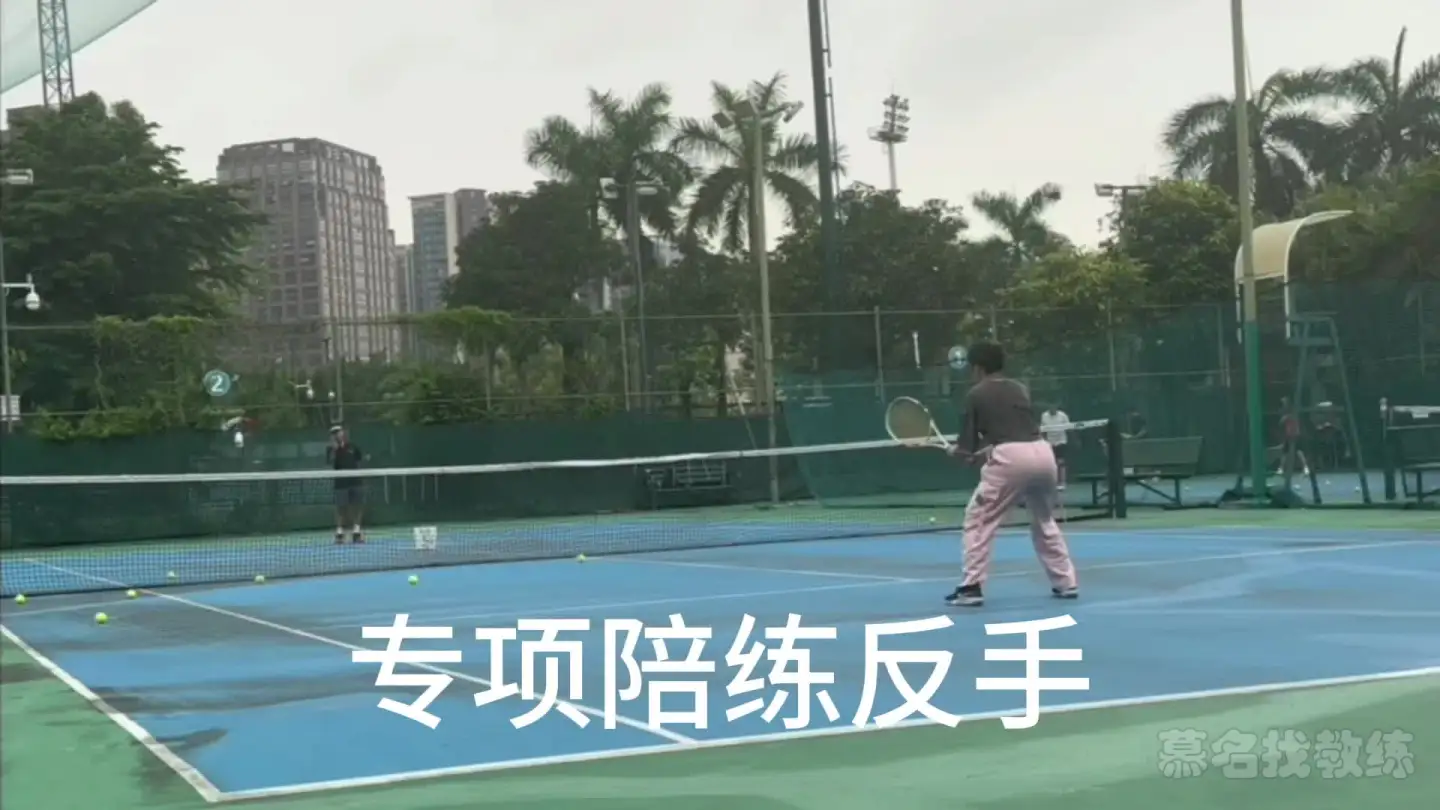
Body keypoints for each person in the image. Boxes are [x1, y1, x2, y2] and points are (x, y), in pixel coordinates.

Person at [945, 342, 1078, 607]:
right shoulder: (1019, 389)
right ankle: (1066, 583)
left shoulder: (975, 394)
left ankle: (971, 587)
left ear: (978, 368)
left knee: (978, 520)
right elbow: (1010, 431)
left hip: (1011, 458)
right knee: (1044, 520)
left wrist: (957, 452)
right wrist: (977, 452)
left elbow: (967, 448)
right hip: (1043, 453)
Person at [326, 425, 366, 544]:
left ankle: (356, 531)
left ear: (343, 433)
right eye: (334, 433)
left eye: (338, 432)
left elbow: (359, 460)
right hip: (340, 483)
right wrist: (335, 449)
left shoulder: (353, 447)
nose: (337, 435)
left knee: (357, 505)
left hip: (355, 481)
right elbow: (330, 462)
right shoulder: (331, 449)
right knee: (341, 508)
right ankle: (339, 533)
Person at [1039, 403, 1071, 490]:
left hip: (1061, 442)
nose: (1052, 408)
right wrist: (1043, 442)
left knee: (1061, 462)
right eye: (1050, 406)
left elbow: (1069, 428)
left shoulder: (1063, 415)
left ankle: (1062, 482)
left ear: (1056, 407)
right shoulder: (1044, 416)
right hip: (1049, 443)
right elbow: (1043, 430)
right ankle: (1053, 483)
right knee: (1051, 464)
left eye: (1054, 406)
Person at [1277, 396, 1310, 476]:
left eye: (1285, 402)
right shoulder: (1283, 411)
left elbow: (1293, 418)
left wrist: (1287, 418)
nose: (1284, 404)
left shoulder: (1292, 410)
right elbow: (1281, 423)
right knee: (1284, 452)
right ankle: (1281, 468)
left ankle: (1305, 468)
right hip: (1288, 435)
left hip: (1295, 433)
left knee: (1299, 451)